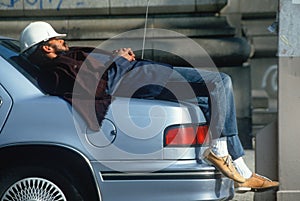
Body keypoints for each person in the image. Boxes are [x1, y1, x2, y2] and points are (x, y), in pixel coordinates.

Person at [19, 21, 279, 193]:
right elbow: (98, 86)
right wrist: (119, 61)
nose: (64, 41)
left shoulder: (65, 59)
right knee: (220, 82)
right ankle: (229, 158)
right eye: (57, 39)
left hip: (144, 74)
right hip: (141, 80)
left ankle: (237, 173)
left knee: (206, 103)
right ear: (46, 47)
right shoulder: (55, 71)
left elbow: (98, 73)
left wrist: (117, 57)